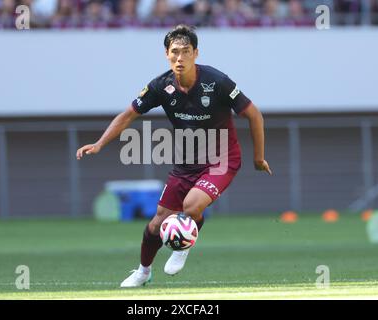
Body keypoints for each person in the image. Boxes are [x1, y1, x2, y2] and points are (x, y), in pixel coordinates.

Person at [76, 24, 272, 287]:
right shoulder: (161, 86)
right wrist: (100, 143)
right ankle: (143, 271)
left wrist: (258, 158)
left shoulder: (217, 82)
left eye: (186, 52)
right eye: (174, 52)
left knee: (192, 206)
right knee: (157, 224)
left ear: (196, 53)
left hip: (221, 160)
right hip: (186, 162)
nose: (180, 58)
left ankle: (182, 246)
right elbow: (127, 116)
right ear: (167, 54)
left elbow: (254, 114)